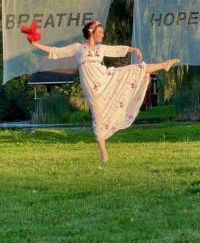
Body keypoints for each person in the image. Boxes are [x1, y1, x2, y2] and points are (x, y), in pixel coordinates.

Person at [28, 20, 180, 162]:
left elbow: (115, 50)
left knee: (134, 69)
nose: (102, 34)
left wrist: (132, 49)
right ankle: (103, 151)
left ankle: (164, 65)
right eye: (99, 31)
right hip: (91, 85)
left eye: (102, 32)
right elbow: (56, 51)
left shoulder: (101, 48)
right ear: (91, 32)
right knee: (98, 114)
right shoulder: (78, 48)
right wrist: (35, 44)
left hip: (105, 77)